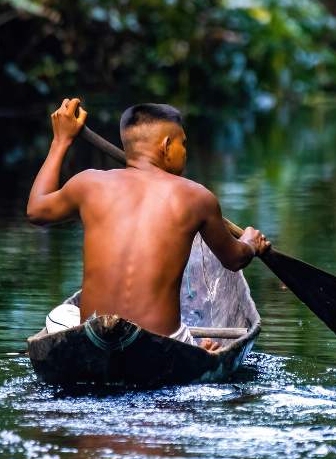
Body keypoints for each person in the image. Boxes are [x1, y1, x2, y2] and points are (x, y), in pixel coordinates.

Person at [26, 98, 270, 350]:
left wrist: (60, 141)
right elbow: (234, 259)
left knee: (62, 315)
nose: (185, 152)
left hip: (95, 338)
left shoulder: (89, 183)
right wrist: (250, 243)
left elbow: (36, 211)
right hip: (163, 344)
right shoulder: (197, 197)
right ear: (166, 146)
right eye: (182, 144)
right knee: (188, 342)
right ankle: (196, 350)